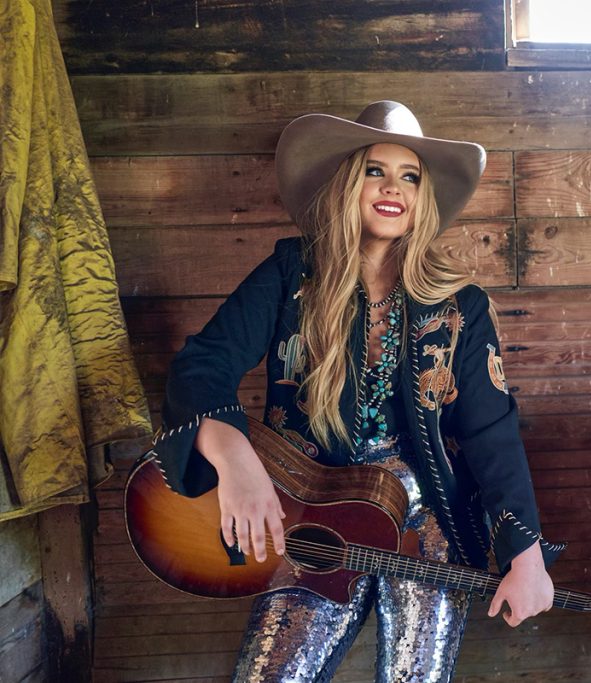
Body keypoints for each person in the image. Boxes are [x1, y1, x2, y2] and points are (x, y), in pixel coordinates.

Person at [150, 101, 563, 682]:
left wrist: (527, 557)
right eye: (376, 170)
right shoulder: (291, 272)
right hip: (312, 513)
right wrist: (234, 457)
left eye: (410, 175)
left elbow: (491, 433)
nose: (392, 187)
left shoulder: (459, 305)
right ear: (348, 182)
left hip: (423, 531)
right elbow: (203, 365)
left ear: (423, 197)